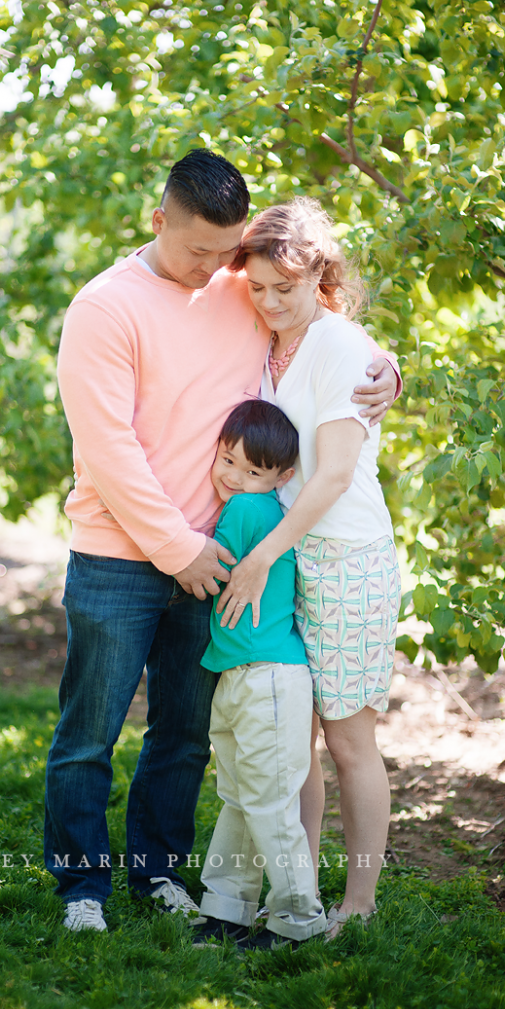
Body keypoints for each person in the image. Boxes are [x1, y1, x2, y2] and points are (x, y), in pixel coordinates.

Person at [47, 150, 400, 933]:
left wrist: (388, 371)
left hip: (222, 559)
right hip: (121, 555)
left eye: (225, 251)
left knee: (181, 735)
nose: (216, 268)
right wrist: (178, 549)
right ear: (157, 220)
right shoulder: (104, 308)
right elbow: (108, 449)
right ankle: (81, 888)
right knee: (88, 735)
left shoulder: (241, 285)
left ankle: (159, 873)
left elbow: (326, 327)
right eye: (198, 250)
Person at [217, 198, 401, 940]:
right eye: (256, 288)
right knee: (293, 736)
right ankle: (295, 891)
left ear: (319, 275)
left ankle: (359, 903)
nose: (267, 302)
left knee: (349, 738)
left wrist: (260, 556)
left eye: (283, 289)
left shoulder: (338, 345)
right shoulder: (268, 345)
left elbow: (328, 478)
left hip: (344, 557)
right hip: (288, 557)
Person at [193, 400, 326, 950]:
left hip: (265, 680)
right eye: (227, 461)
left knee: (267, 802)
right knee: (242, 796)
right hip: (243, 676)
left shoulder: (248, 511)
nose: (234, 478)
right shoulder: (259, 506)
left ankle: (299, 922)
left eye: (252, 470)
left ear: (281, 477)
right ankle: (228, 909)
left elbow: (205, 568)